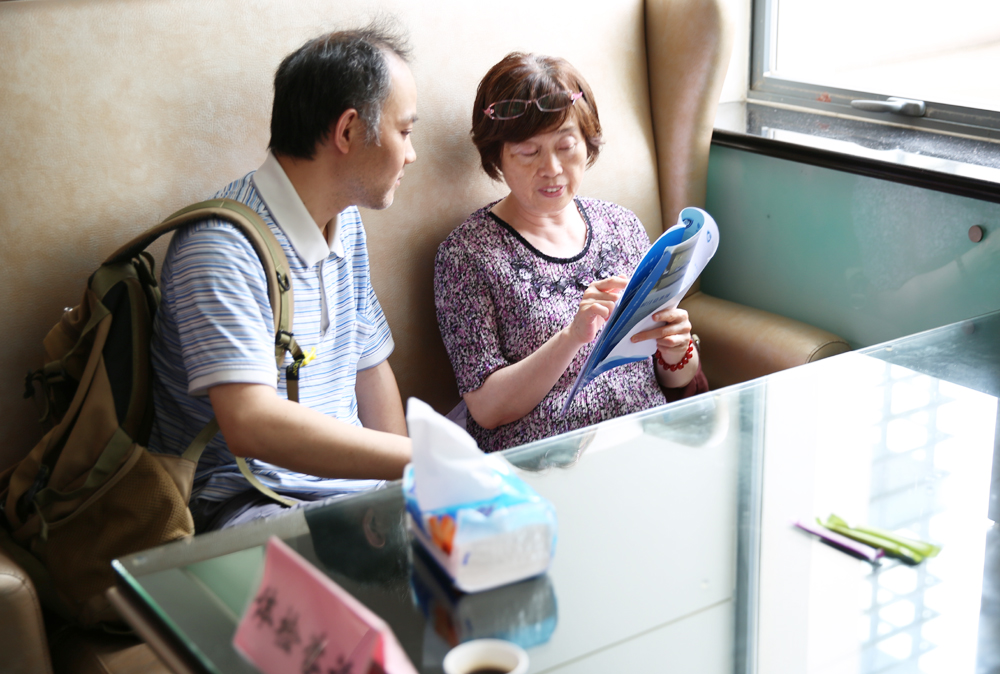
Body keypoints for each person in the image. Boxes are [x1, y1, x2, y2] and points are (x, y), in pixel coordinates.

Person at [149, 24, 418, 531]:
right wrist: (418, 460)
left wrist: (407, 490)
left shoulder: (346, 221)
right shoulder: (221, 245)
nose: (411, 154)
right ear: (347, 131)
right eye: (404, 132)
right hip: (249, 505)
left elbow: (368, 366)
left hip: (349, 497)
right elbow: (250, 423)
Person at [434, 53, 708, 454]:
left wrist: (677, 351)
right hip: (547, 461)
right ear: (497, 156)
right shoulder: (466, 255)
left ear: (587, 143)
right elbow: (487, 409)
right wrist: (571, 338)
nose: (552, 168)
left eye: (565, 146)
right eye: (528, 152)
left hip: (644, 445)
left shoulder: (622, 226)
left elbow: (672, 380)